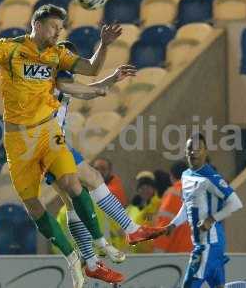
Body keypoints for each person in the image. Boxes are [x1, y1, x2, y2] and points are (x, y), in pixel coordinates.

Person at [0, 4, 125, 288]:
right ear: (37, 23)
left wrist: (104, 45)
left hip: (47, 132)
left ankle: (100, 244)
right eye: (54, 27)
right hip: (17, 140)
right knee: (33, 206)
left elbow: (92, 68)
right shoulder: (9, 48)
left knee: (73, 182)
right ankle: (74, 259)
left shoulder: (58, 54)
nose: (58, 33)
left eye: (61, 29)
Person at [45, 40, 165, 277]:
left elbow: (84, 87)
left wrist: (111, 79)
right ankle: (131, 229)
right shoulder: (58, 75)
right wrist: (102, 86)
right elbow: (86, 91)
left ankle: (90, 263)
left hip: (41, 145)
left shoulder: (56, 77)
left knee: (71, 204)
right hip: (48, 143)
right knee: (94, 177)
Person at [157, 133, 243, 288]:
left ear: (205, 151)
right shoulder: (186, 175)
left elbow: (235, 203)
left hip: (209, 244)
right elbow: (187, 205)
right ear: (185, 151)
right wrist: (173, 224)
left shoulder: (211, 177)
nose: (193, 152)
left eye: (198, 149)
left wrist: (212, 219)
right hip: (203, 243)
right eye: (190, 148)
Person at [153, 160, 193, 253]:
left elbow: (165, 227)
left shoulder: (173, 194)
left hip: (177, 257)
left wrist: (157, 255)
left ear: (171, 176)